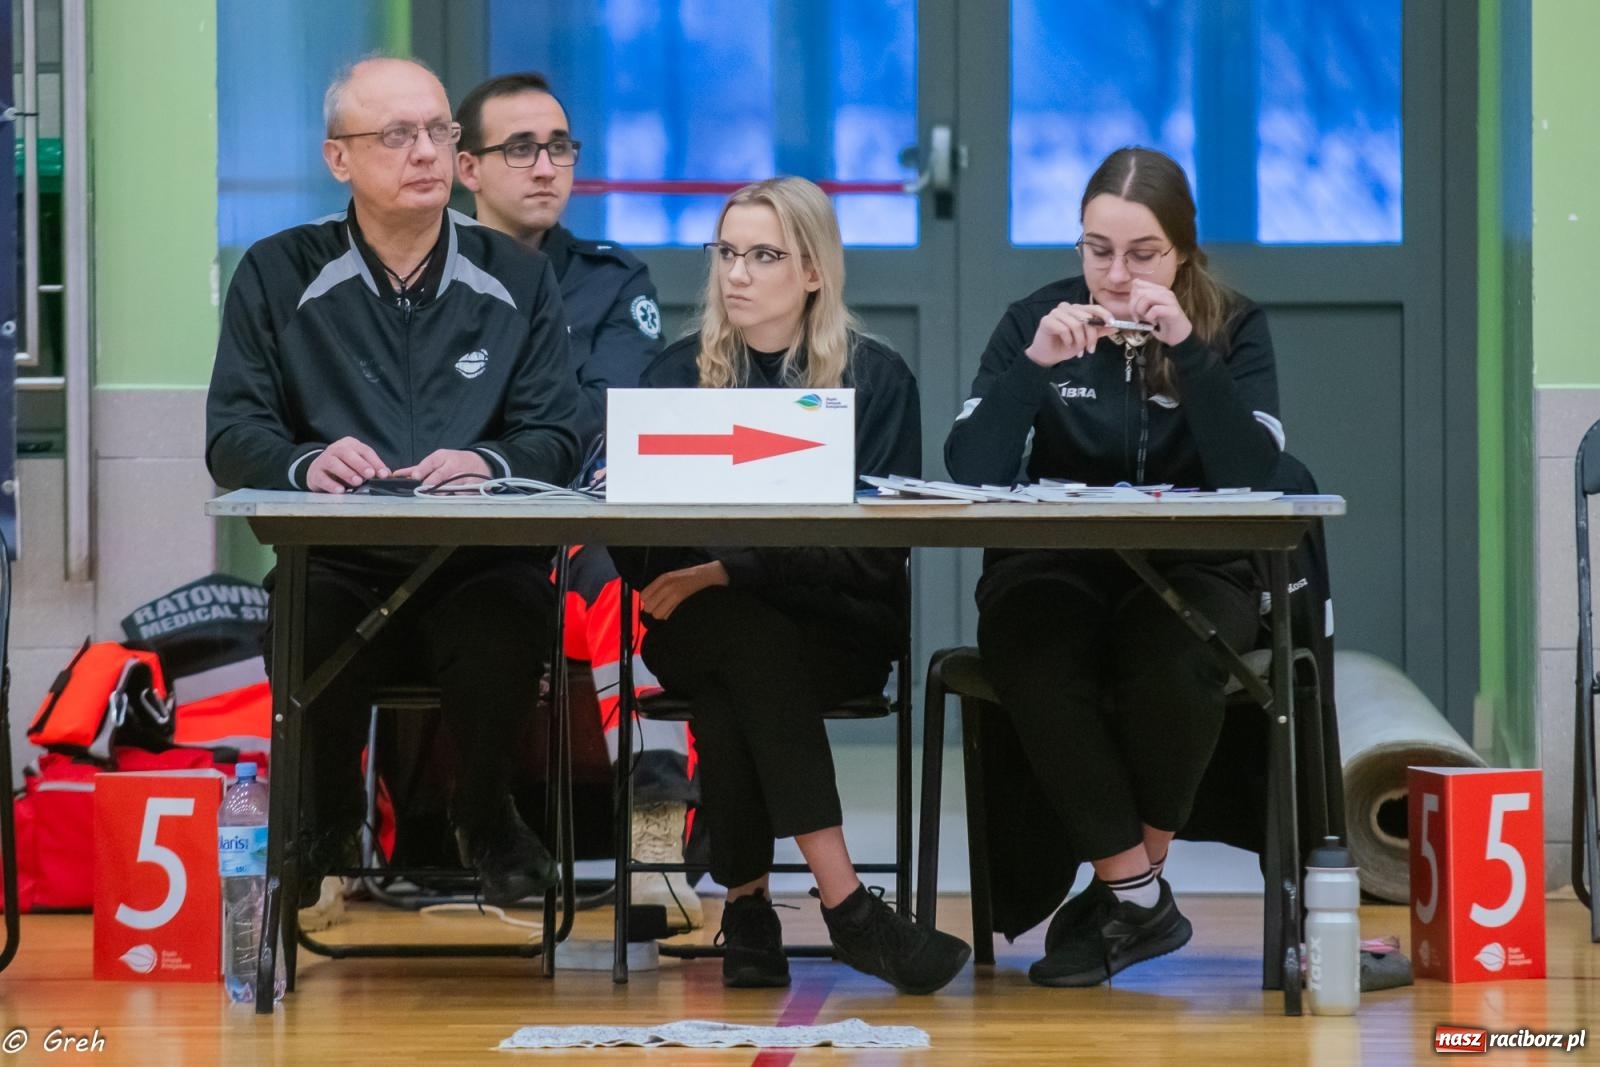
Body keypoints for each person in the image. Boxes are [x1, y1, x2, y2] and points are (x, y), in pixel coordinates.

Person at [205, 57, 581, 909]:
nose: (426, 153)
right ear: (340, 159)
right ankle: (327, 822)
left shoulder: (519, 275)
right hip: (340, 558)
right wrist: (304, 464)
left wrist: (491, 465)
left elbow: (560, 432)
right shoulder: (275, 272)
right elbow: (233, 433)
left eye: (439, 131)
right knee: (303, 615)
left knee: (511, 616)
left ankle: (484, 814)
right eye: (397, 135)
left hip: (477, 557)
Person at [611, 177, 971, 995]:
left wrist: (732, 564)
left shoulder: (876, 381)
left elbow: (873, 556)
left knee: (749, 657)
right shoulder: (673, 378)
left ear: (812, 270)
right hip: (698, 622)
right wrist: (725, 570)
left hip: (836, 629)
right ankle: (849, 907)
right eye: (726, 253)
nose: (736, 273)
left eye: (762, 255)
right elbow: (637, 547)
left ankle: (748, 909)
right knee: (744, 638)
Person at [944, 146, 1284, 988]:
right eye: (1099, 250)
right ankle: (1139, 892)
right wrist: (1033, 373)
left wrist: (1188, 352)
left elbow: (1258, 472)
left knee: (1177, 660)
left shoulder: (1232, 324)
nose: (1118, 273)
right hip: (1055, 563)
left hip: (1195, 566)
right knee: (1032, 648)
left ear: (1183, 251)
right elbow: (969, 467)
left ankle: (1124, 890)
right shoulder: (1036, 317)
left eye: (1143, 254)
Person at [454, 72, 702, 931]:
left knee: (634, 580)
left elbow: (615, 415)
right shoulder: (423, 280)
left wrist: (497, 428)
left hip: (575, 538)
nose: (545, 166)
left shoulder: (607, 277)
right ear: (467, 167)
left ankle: (659, 850)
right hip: (458, 548)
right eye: (519, 148)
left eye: (559, 147)